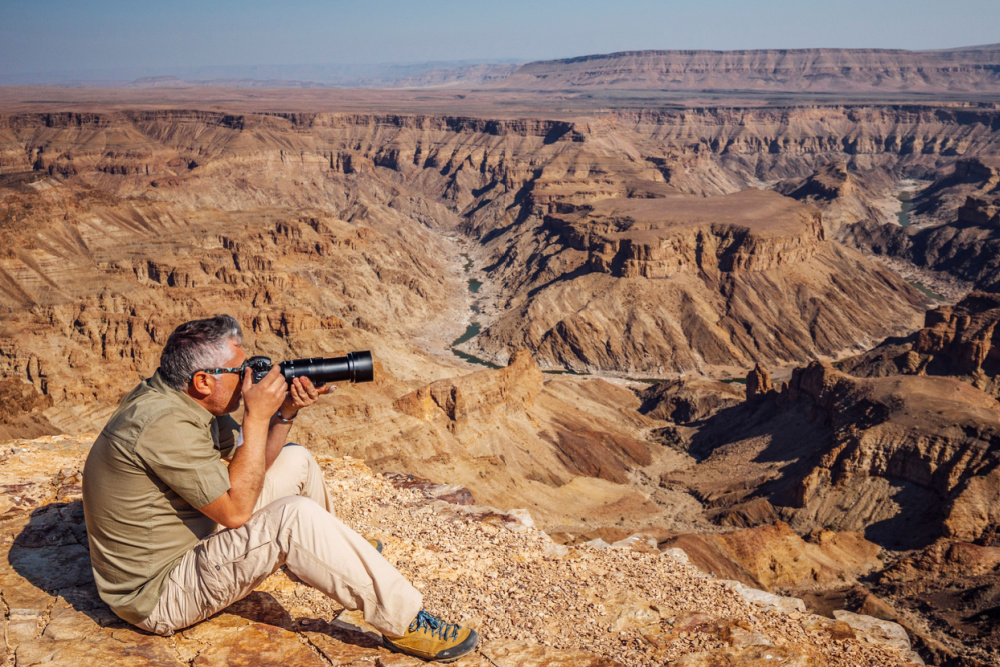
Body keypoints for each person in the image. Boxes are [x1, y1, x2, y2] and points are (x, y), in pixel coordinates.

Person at [82, 314, 478, 662]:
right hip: (159, 593)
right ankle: (405, 620)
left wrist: (284, 413)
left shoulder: (187, 399)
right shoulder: (164, 424)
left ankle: (332, 556)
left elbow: (249, 467)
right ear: (202, 380)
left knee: (296, 459)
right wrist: (256, 417)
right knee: (293, 518)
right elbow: (237, 511)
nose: (250, 379)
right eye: (239, 372)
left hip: (192, 537)